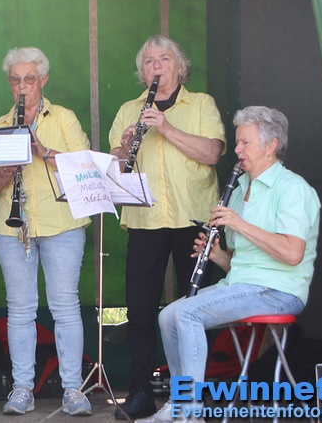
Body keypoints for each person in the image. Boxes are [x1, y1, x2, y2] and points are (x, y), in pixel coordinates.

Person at [139, 106, 320, 423]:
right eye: (237, 142)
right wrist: (217, 255)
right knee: (168, 315)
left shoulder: (292, 188)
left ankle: (189, 411)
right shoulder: (240, 190)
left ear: (271, 145)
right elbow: (241, 262)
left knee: (188, 312)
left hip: (279, 289)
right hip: (243, 285)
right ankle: (180, 404)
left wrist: (239, 224)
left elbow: (293, 254)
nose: (237, 150)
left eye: (245, 143)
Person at [108, 35, 225, 420]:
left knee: (197, 308)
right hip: (145, 220)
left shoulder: (202, 103)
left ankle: (195, 393)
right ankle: (141, 392)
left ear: (179, 67)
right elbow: (115, 167)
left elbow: (212, 153)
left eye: (164, 59)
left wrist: (166, 127)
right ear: (142, 72)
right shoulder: (128, 110)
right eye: (149, 61)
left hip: (194, 219)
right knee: (140, 310)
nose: (156, 66)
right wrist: (124, 149)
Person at [0, 47, 93, 417]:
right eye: (16, 79)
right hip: (13, 228)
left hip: (62, 224)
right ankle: (22, 388)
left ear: (43, 80)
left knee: (65, 306)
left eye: (29, 78)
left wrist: (42, 150)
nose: (22, 86)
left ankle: (73, 388)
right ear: (9, 83)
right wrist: (4, 172)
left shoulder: (64, 118)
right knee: (20, 309)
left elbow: (85, 167)